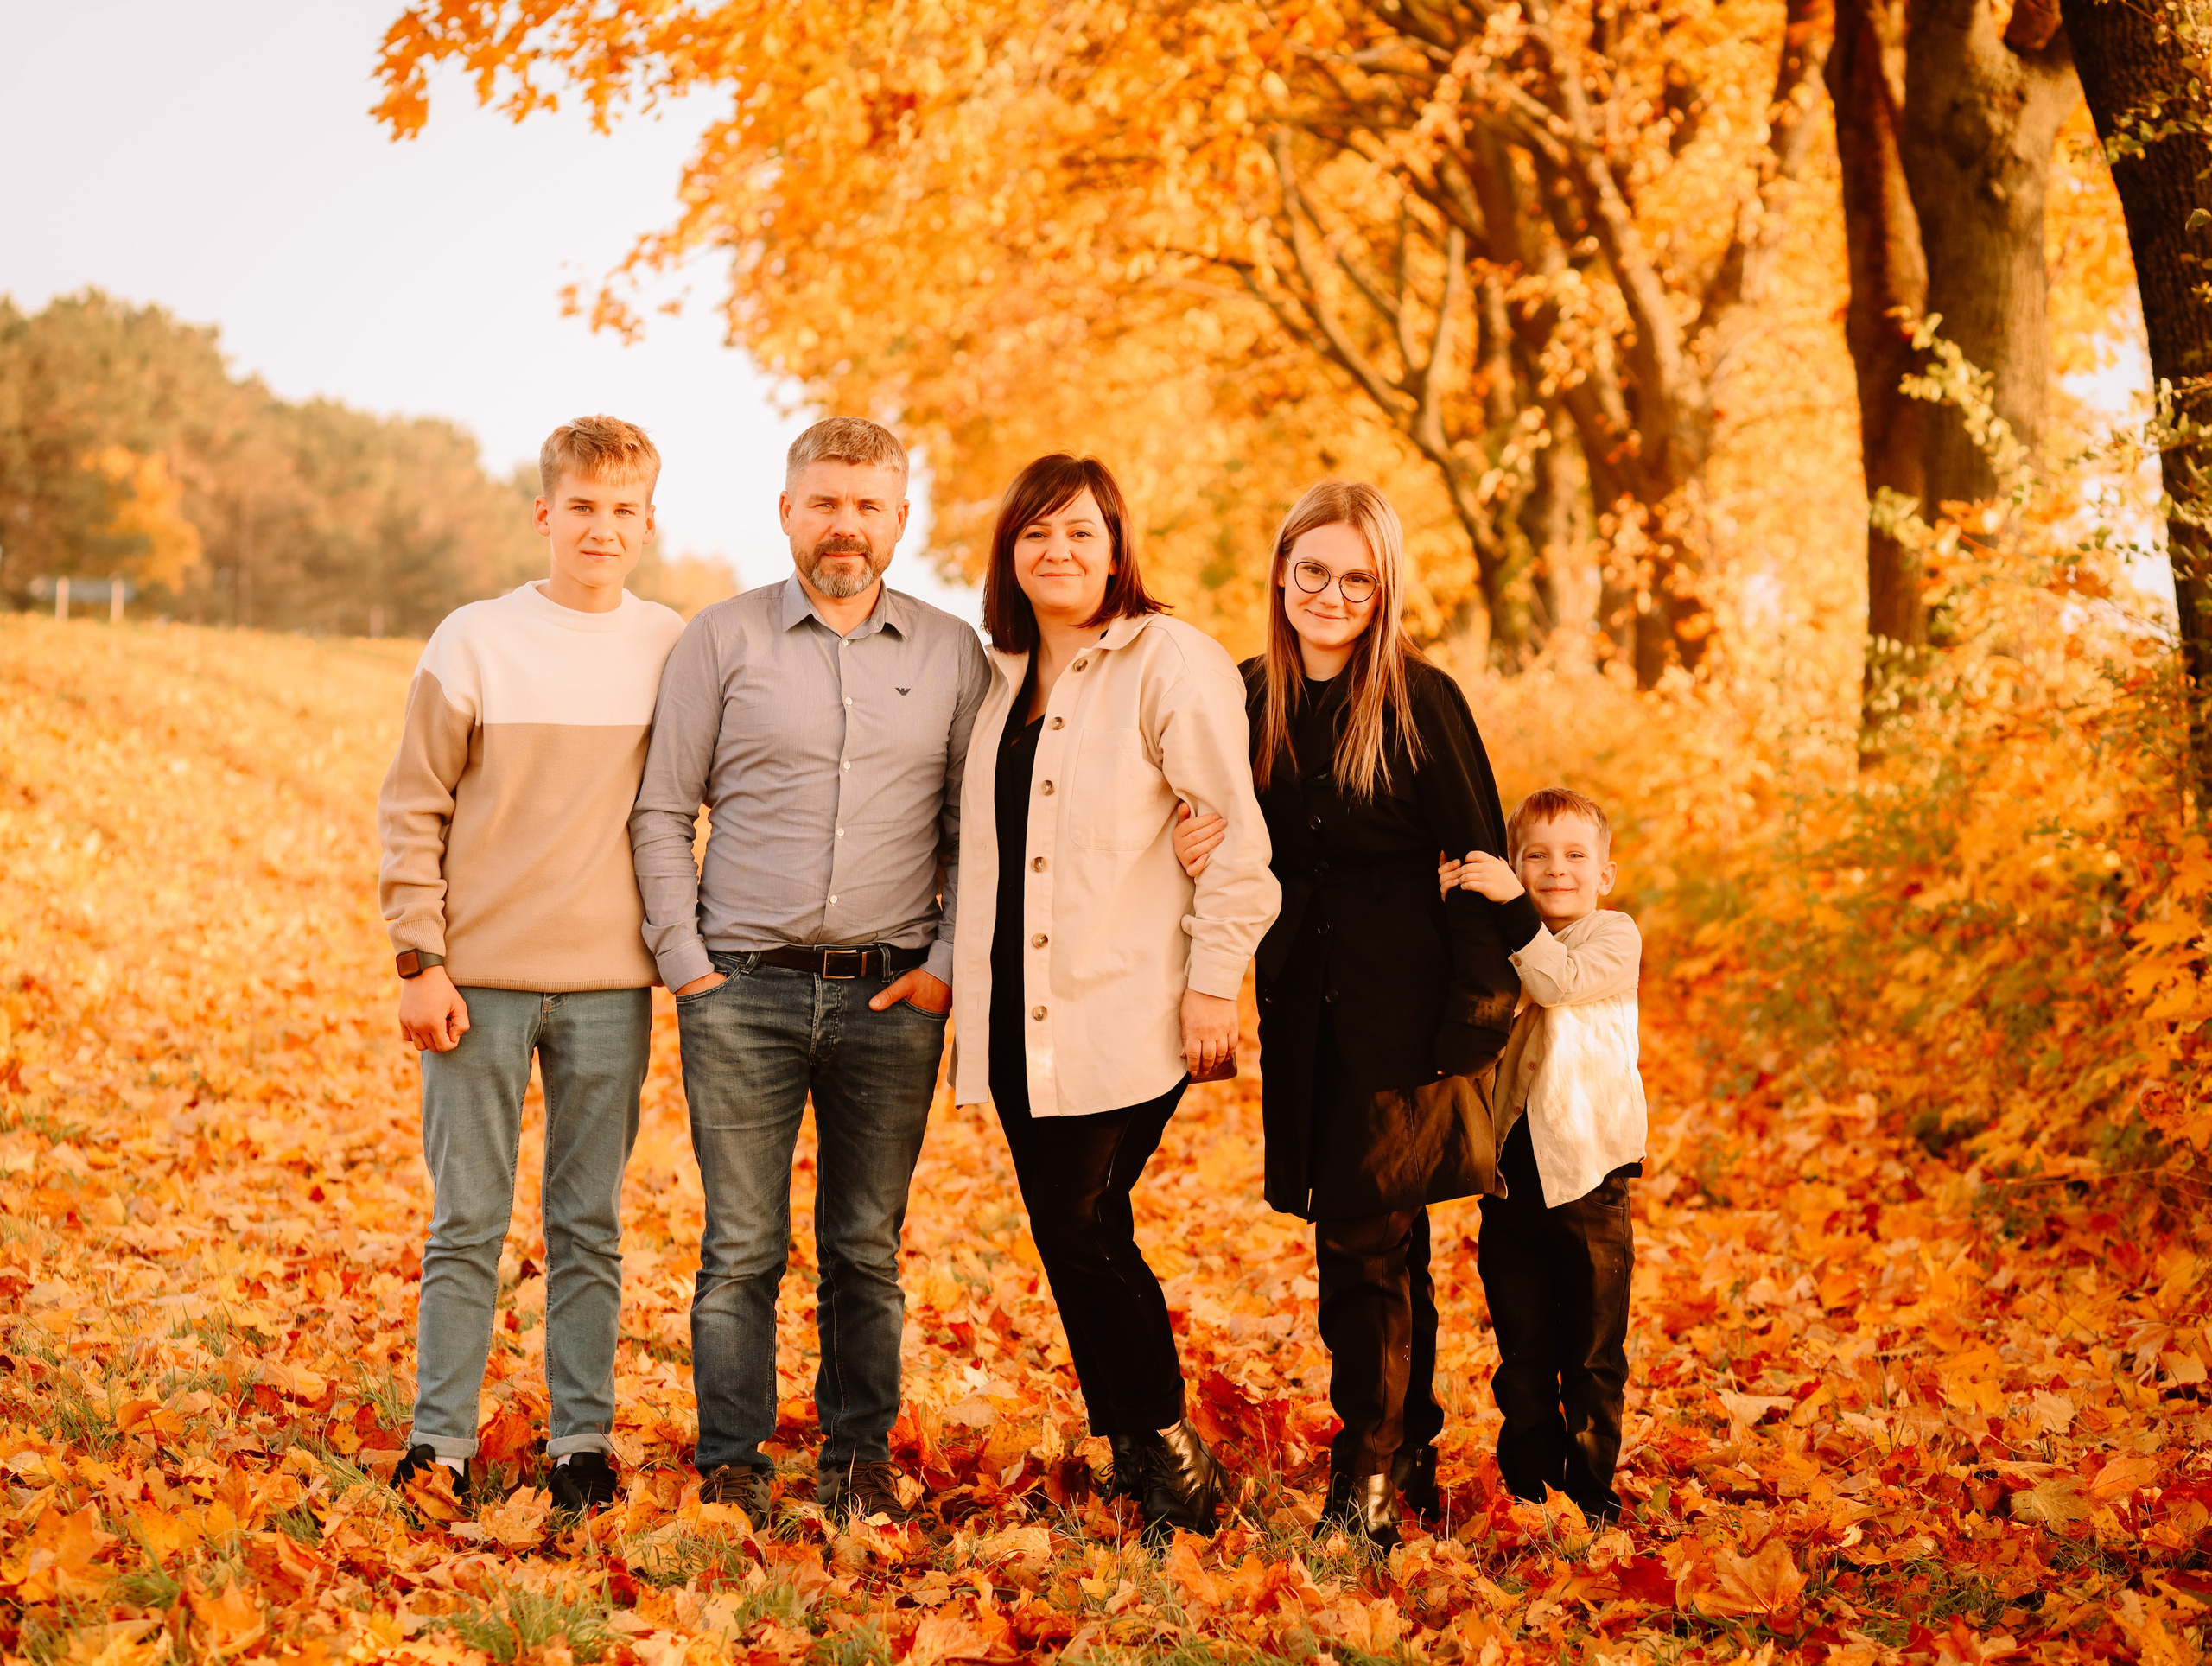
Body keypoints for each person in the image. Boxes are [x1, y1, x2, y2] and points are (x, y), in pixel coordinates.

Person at [630, 416, 990, 1529]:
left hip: (892, 998)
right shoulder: (720, 640)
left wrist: (941, 967)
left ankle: (855, 1457)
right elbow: (660, 810)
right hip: (741, 990)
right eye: (825, 500)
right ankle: (733, 1461)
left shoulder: (951, 654)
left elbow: (967, 834)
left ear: (899, 520)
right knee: (738, 1247)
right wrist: (686, 965)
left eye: (869, 504)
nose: (846, 524)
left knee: (864, 1248)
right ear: (786, 509)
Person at [1173, 480, 1521, 1550]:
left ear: (1382, 592)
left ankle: (1363, 1479)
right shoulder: (1239, 698)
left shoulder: (1422, 702)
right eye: (1312, 570)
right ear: (1280, 572)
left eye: (1355, 578)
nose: (1330, 592)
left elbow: (1482, 865)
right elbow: (1204, 839)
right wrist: (1188, 855)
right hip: (1300, 1008)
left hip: (1405, 1010)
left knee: (1363, 1245)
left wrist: (1474, 1015)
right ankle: (1409, 1440)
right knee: (1376, 1235)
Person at [947, 455, 1279, 1537]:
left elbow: (1236, 840)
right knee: (1065, 1224)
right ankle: (1137, 1445)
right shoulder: (998, 679)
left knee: (1087, 1218)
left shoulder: (1163, 658)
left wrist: (1212, 986)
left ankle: (1170, 1454)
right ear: (1010, 554)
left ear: (1116, 545)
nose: (1059, 552)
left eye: (1081, 533)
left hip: (1127, 993)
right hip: (1016, 1006)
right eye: (1036, 534)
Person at [378, 414, 686, 1514]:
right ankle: (441, 1439)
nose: (601, 528)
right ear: (545, 514)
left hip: (612, 985)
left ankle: (581, 1442)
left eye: (623, 510)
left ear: (648, 522)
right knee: (467, 1217)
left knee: (587, 1221)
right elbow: (414, 804)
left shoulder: (671, 645)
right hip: (480, 981)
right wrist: (421, 957)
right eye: (582, 507)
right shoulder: (472, 639)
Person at [1443, 787, 1645, 1522]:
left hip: (1591, 1180)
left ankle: (1590, 1501)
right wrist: (1459, 907)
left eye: (1574, 856)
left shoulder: (1614, 937)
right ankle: (1531, 1496)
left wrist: (1508, 907)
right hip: (1510, 1182)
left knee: (1590, 1354)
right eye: (1535, 856)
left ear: (1604, 875)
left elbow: (1554, 982)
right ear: (1514, 865)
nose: (1556, 869)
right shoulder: (1501, 939)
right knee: (1524, 1354)